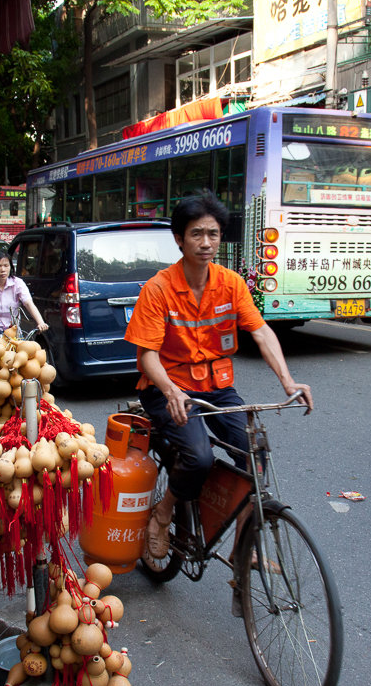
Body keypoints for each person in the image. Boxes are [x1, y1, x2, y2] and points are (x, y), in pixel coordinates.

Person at [123, 192, 314, 560]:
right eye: (196, 234)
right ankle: (163, 514)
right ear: (179, 239)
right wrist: (171, 391)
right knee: (199, 456)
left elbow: (261, 332)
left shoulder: (231, 283)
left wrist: (288, 382)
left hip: (217, 388)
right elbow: (147, 355)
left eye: (213, 233)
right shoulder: (158, 289)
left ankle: (244, 546)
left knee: (253, 453)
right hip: (168, 388)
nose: (206, 242)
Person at [0, 249, 48, 343]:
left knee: (24, 352)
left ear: (11, 267)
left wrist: (40, 322)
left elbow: (29, 303)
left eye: (6, 265)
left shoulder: (17, 283)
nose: (3, 270)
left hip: (12, 329)